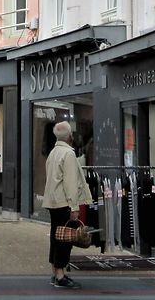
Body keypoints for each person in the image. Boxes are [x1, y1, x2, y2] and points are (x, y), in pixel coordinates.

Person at [41, 120, 90, 290]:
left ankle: (55, 272)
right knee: (65, 239)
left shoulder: (53, 153)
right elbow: (70, 182)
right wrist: (74, 206)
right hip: (64, 203)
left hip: (53, 202)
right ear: (69, 135)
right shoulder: (68, 154)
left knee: (56, 236)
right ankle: (61, 276)